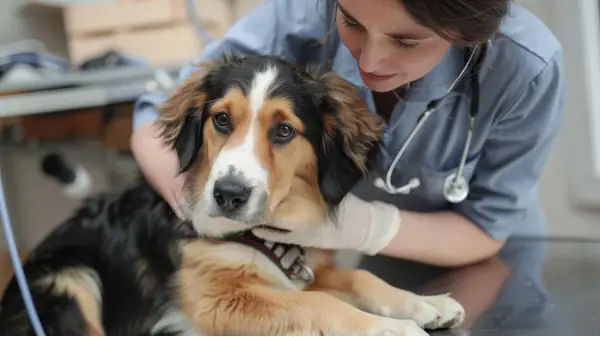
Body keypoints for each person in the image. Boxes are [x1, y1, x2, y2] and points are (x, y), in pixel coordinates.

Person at [131, 0, 565, 268]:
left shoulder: (526, 66)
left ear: (464, 35)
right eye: (353, 22)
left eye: (407, 41)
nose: (371, 60)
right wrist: (195, 200)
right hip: (373, 266)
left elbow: (486, 228)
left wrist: (366, 228)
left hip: (487, 265)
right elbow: (154, 121)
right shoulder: (304, 11)